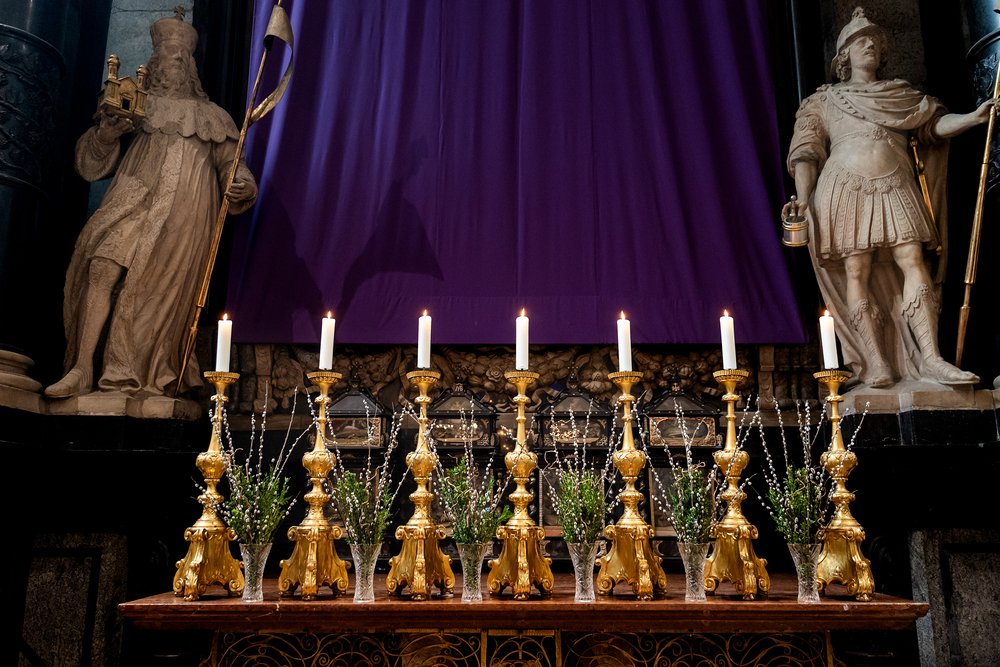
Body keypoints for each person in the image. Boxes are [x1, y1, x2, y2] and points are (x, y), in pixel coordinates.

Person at [45, 13, 257, 398]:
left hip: (183, 217)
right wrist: (106, 134)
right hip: (132, 199)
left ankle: (138, 376)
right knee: (102, 264)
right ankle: (81, 367)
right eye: (161, 57)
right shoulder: (135, 103)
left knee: (154, 292)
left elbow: (232, 164)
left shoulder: (214, 117)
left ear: (190, 67)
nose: (168, 64)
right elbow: (91, 162)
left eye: (178, 58)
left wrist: (241, 183)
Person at [783, 7, 996, 388]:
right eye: (860, 41)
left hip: (896, 181)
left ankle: (932, 357)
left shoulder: (901, 94)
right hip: (844, 187)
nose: (869, 45)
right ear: (844, 56)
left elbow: (932, 127)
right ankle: (876, 362)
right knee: (856, 269)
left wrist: (972, 118)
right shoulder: (823, 100)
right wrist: (802, 198)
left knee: (913, 259)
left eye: (875, 42)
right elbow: (806, 153)